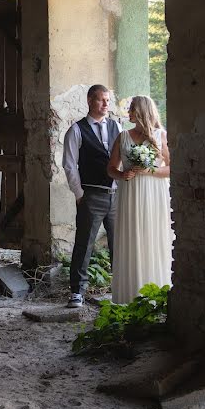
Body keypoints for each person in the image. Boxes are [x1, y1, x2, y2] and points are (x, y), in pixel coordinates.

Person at [107, 95, 173, 304]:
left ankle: (155, 294)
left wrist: (149, 170)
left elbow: (171, 169)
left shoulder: (160, 135)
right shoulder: (123, 136)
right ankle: (129, 294)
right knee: (131, 237)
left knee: (152, 237)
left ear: (142, 111)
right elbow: (110, 168)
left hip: (154, 194)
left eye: (132, 109)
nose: (128, 114)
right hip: (130, 194)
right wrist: (121, 175)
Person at [62, 84, 123, 308]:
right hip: (92, 195)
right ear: (90, 101)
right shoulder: (76, 130)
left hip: (116, 196)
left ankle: (120, 288)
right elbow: (70, 165)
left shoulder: (117, 126)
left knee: (119, 244)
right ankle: (77, 291)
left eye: (108, 100)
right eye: (101, 100)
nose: (106, 104)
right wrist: (80, 195)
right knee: (84, 244)